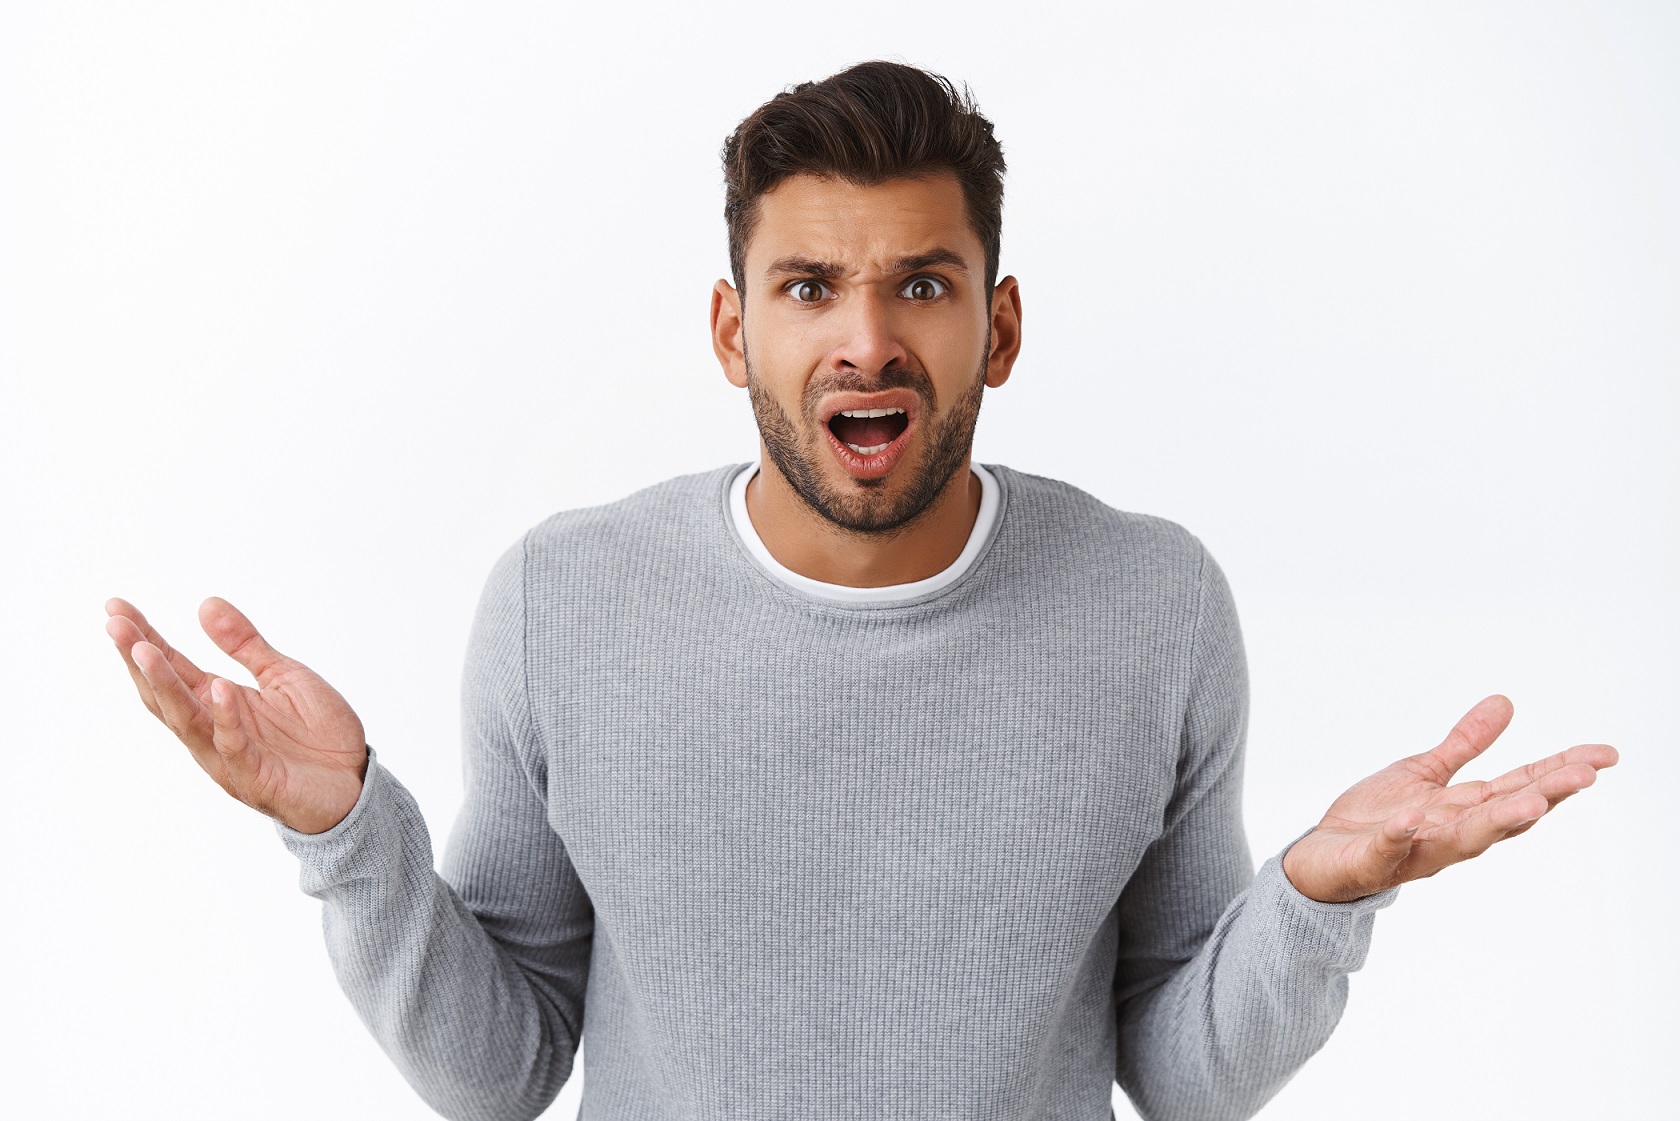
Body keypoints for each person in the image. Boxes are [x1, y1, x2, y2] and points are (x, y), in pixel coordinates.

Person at [103, 60, 1617, 1121]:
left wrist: (1315, 901)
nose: (867, 340)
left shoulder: (1154, 604)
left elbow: (1182, 1074)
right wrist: (348, 835)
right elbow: (503, 1072)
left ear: (1001, 328)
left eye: (924, 284)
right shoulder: (561, 602)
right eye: (810, 287)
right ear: (730, 329)